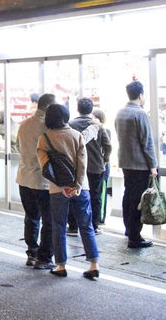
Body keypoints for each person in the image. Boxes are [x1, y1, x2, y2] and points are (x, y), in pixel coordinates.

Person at [37, 104, 100, 280]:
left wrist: (62, 185)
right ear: (66, 117)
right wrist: (77, 186)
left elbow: (45, 167)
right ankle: (93, 264)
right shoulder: (76, 135)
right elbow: (83, 163)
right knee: (86, 225)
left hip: (58, 190)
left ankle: (61, 265)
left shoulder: (44, 139)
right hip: (81, 189)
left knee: (58, 226)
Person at [115, 80, 159, 248]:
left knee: (129, 196)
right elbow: (147, 142)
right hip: (140, 164)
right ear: (141, 95)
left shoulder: (120, 112)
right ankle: (135, 236)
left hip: (126, 162)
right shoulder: (140, 114)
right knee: (138, 200)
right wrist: (152, 165)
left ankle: (129, 229)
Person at [15, 93, 56, 269]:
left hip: (24, 178)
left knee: (31, 217)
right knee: (49, 220)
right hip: (42, 181)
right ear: (48, 107)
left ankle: (32, 252)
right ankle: (44, 258)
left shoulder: (24, 124)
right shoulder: (49, 127)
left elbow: (17, 146)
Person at [68, 98, 112, 237]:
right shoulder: (97, 126)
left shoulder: (70, 125)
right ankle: (93, 225)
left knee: (74, 195)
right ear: (91, 110)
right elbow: (108, 146)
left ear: (78, 109)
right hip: (95, 166)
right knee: (95, 196)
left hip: (75, 166)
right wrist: (104, 160)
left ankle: (73, 226)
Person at [91, 108, 111, 225]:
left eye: (95, 118)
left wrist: (105, 161)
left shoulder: (104, 130)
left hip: (102, 166)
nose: (93, 120)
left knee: (100, 194)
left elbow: (107, 148)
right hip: (96, 166)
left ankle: (100, 218)